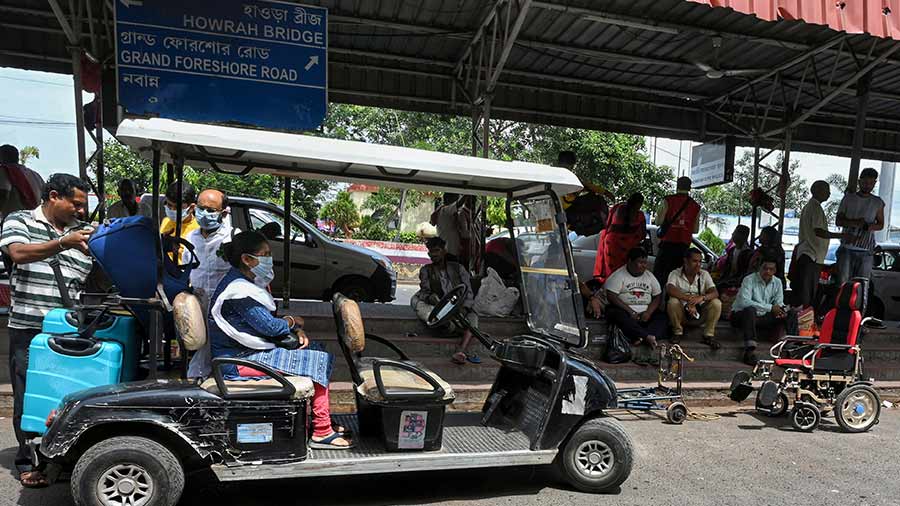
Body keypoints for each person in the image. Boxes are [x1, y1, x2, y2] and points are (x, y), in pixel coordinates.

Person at [209, 231, 352, 449]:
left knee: (317, 350)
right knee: (317, 360)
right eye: (264, 254)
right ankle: (322, 430)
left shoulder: (244, 282)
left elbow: (267, 324)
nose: (269, 259)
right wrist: (293, 322)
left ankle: (317, 420)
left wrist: (295, 330)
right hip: (237, 363)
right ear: (247, 259)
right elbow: (270, 327)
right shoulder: (238, 291)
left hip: (246, 354)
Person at [0, 174, 93, 487]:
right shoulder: (21, 220)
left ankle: (60, 456)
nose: (81, 211)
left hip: (68, 333)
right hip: (29, 329)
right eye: (76, 204)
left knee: (66, 396)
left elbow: (93, 278)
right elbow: (17, 253)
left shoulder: (80, 232)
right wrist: (61, 244)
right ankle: (29, 462)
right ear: (54, 196)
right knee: (29, 398)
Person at [183, 189, 239, 379]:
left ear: (223, 213)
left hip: (225, 307)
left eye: (211, 210)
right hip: (198, 304)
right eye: (201, 208)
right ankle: (197, 381)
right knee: (200, 345)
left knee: (221, 349)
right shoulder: (190, 238)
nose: (205, 214)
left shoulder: (233, 238)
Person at [411, 237, 480, 365]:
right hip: (439, 308)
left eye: (437, 250)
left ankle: (461, 351)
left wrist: (464, 308)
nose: (434, 254)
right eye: (431, 252)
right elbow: (425, 291)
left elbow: (468, 292)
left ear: (444, 251)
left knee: (473, 319)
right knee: (417, 302)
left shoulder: (458, 268)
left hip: (460, 307)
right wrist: (431, 298)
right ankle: (447, 325)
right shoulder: (426, 270)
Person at [604, 247, 667, 365]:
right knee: (615, 314)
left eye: (645, 262)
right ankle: (646, 336)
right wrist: (630, 311)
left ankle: (641, 337)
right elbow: (611, 296)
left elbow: (657, 296)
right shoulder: (619, 275)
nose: (643, 266)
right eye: (640, 262)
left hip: (645, 314)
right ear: (630, 261)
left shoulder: (649, 276)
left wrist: (649, 312)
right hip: (626, 312)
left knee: (662, 317)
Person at [792, 181, 845, 309]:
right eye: (826, 190)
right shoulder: (815, 208)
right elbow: (819, 231)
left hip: (810, 255)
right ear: (817, 191)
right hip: (810, 255)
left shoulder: (811, 207)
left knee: (807, 292)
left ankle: (804, 320)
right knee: (807, 294)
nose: (829, 193)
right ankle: (803, 323)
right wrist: (842, 236)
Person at [731, 257, 787, 366]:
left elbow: (779, 303)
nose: (768, 272)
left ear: (775, 271)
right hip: (741, 316)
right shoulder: (749, 279)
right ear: (759, 268)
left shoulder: (777, 282)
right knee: (750, 310)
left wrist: (780, 310)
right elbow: (744, 302)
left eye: (771, 269)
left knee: (791, 313)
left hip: (762, 318)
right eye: (765, 268)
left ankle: (791, 348)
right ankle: (749, 351)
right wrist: (770, 308)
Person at [835, 168, 885, 283]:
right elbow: (838, 221)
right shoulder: (848, 199)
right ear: (860, 182)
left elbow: (881, 224)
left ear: (874, 183)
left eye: (871, 183)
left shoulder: (878, 202)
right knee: (843, 283)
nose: (868, 186)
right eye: (865, 182)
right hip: (847, 248)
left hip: (866, 250)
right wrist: (855, 222)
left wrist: (867, 226)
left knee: (862, 285)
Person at [666, 247, 722, 348]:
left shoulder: (704, 274)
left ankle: (708, 335)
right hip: (682, 314)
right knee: (672, 302)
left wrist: (701, 298)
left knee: (716, 303)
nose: (698, 264)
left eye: (700, 261)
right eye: (695, 261)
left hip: (700, 314)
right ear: (685, 261)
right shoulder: (675, 273)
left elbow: (715, 292)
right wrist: (689, 300)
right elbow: (670, 289)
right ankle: (677, 332)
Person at [653, 176, 701, 287]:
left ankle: (658, 302)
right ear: (689, 188)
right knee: (677, 282)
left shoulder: (667, 200)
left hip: (667, 247)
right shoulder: (696, 206)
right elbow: (695, 230)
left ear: (677, 186)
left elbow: (658, 222)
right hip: (683, 249)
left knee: (659, 280)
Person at [593, 192, 646, 284]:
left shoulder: (617, 208)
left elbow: (606, 225)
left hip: (612, 246)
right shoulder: (640, 215)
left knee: (610, 274)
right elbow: (643, 234)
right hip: (627, 248)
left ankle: (608, 292)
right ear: (640, 204)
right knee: (624, 275)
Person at [0, 144, 44, 219]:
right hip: (36, 220)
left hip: (14, 220)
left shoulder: (5, 170)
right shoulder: (35, 175)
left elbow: (3, 195)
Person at [160, 181, 199, 260]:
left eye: (177, 208)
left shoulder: (198, 228)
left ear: (191, 208)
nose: (172, 210)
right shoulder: (166, 221)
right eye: (169, 205)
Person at [714, 224, 754, 290]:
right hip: (729, 281)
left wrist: (731, 282)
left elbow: (745, 273)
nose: (732, 234)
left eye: (735, 232)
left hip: (738, 285)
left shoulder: (748, 254)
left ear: (743, 236)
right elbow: (727, 269)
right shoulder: (732, 250)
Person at [430, 193, 462, 262]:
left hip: (446, 250)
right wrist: (469, 193)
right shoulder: (446, 210)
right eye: (455, 200)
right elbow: (459, 204)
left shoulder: (441, 210)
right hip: (450, 251)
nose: (456, 201)